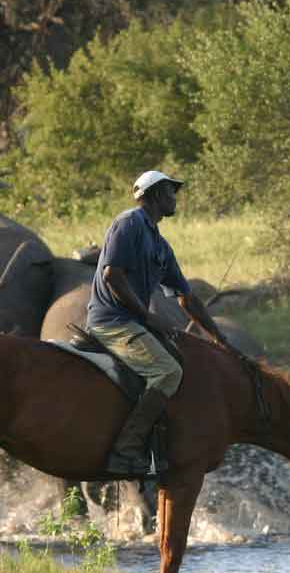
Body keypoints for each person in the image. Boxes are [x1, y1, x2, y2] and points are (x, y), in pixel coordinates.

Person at [85, 169, 233, 476]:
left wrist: (218, 337)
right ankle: (126, 449)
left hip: (134, 323)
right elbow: (113, 274)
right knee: (167, 371)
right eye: (169, 191)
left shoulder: (161, 246)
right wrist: (148, 316)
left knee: (184, 364)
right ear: (152, 196)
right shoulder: (129, 224)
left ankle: (161, 445)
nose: (174, 197)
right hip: (112, 322)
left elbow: (186, 297)